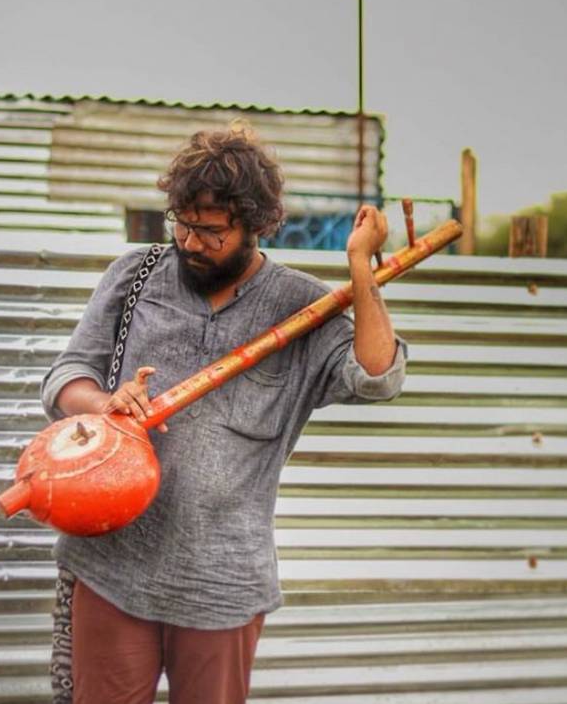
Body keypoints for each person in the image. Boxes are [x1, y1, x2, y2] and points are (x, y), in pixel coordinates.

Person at [40, 125, 406, 704]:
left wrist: (361, 268)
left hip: (223, 583)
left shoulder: (300, 307)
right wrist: (103, 403)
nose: (190, 242)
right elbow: (64, 379)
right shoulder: (135, 277)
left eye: (210, 230)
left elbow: (379, 377)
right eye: (181, 223)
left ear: (256, 225)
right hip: (112, 566)